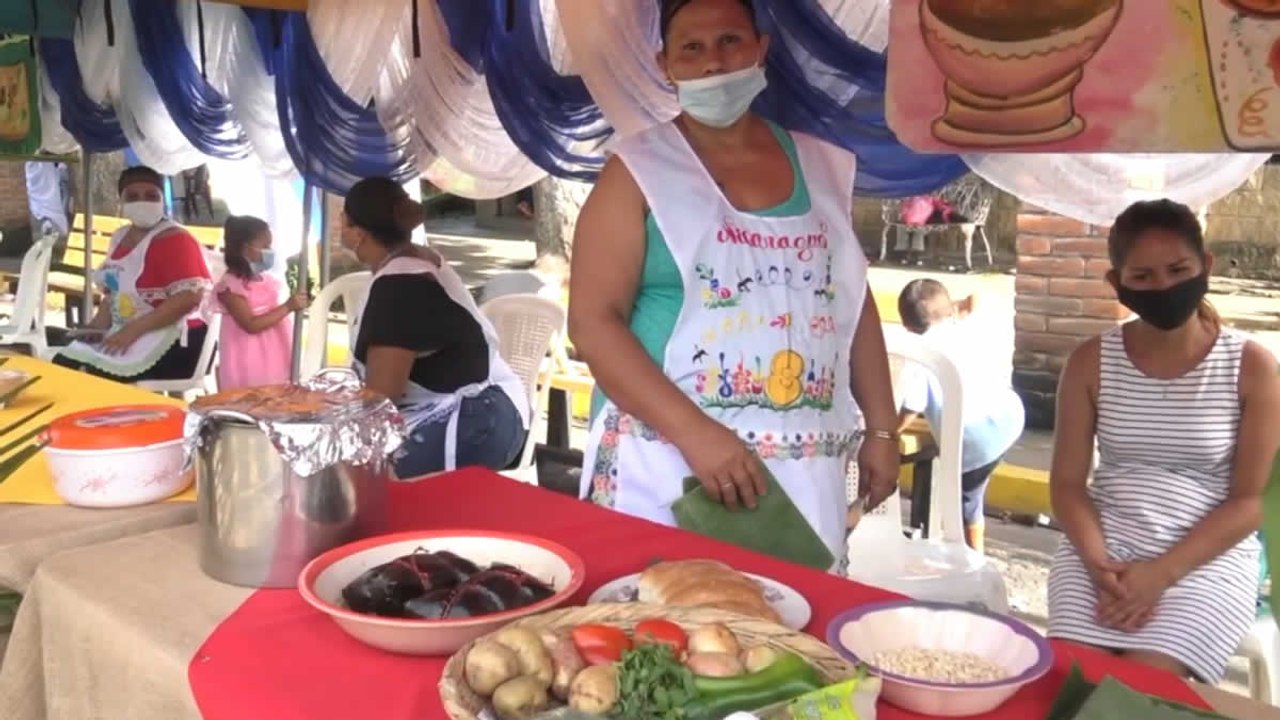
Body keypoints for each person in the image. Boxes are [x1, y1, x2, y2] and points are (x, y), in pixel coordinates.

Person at [568, 0, 900, 568]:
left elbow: (852, 304)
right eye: (690, 49)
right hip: (668, 461)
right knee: (656, 625)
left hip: (804, 463)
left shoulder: (822, 166)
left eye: (730, 41)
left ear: (760, 48)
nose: (713, 63)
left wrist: (883, 430)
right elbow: (593, 324)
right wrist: (696, 435)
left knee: (790, 630)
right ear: (665, 64)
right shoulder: (639, 170)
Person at [1047, 199, 1280, 683]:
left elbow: (1251, 501)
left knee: (1137, 694)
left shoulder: (1253, 368)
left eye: (1178, 269)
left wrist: (1162, 574)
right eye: (1143, 276)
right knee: (1067, 680)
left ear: (1206, 266)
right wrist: (1098, 566)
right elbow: (1068, 485)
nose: (1164, 286)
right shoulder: (1089, 363)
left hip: (1204, 560)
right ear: (1118, 284)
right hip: (1102, 551)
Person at [340, 177, 529, 477]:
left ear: (357, 234)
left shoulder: (399, 286)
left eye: (344, 223)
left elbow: (383, 398)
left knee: (346, 477)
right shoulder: (415, 260)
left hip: (475, 424)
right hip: (495, 414)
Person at [895, 279, 1025, 553]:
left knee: (966, 501)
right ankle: (968, 553)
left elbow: (912, 406)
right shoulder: (966, 327)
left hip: (974, 437)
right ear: (950, 309)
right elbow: (977, 297)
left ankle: (972, 557)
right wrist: (961, 307)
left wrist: (888, 433)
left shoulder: (920, 355)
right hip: (1009, 416)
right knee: (972, 491)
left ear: (907, 327)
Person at [53, 166, 213, 382]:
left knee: (93, 375)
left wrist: (131, 332)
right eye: (133, 196)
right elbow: (113, 292)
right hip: (129, 331)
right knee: (65, 362)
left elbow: (188, 298)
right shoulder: (119, 237)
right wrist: (96, 326)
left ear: (162, 199)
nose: (143, 201)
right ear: (122, 202)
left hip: (175, 340)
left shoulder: (176, 240)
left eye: (151, 195)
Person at [213, 215, 308, 391]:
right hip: (249, 360)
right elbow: (250, 324)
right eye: (264, 246)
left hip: (275, 353)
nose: (269, 251)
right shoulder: (230, 287)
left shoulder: (266, 281)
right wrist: (287, 307)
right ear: (243, 248)